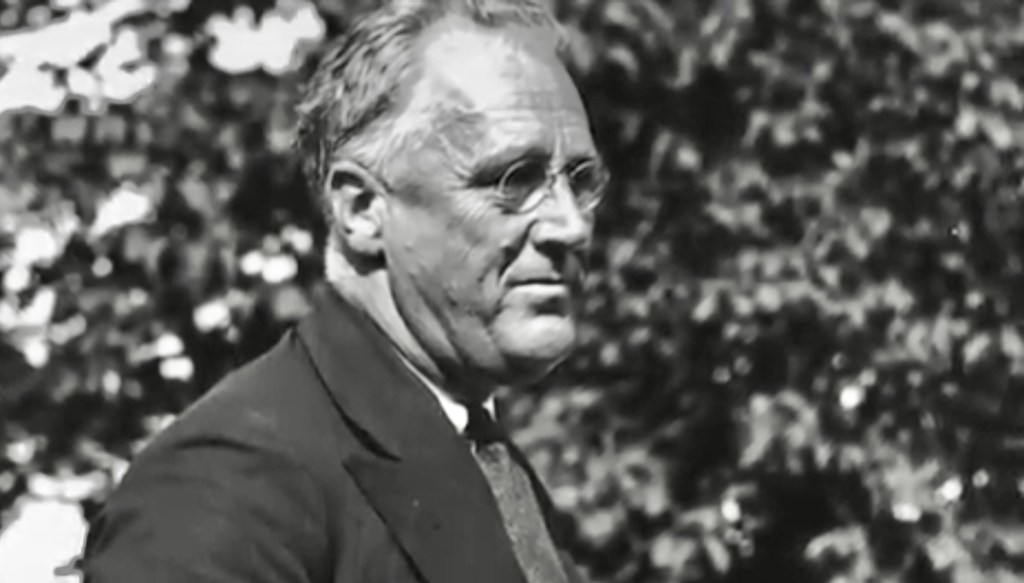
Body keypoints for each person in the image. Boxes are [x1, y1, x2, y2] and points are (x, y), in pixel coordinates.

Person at [80, 0, 609, 581]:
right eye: (514, 179)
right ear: (361, 209)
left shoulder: (492, 464)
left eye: (581, 181)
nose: (572, 226)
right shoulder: (223, 485)